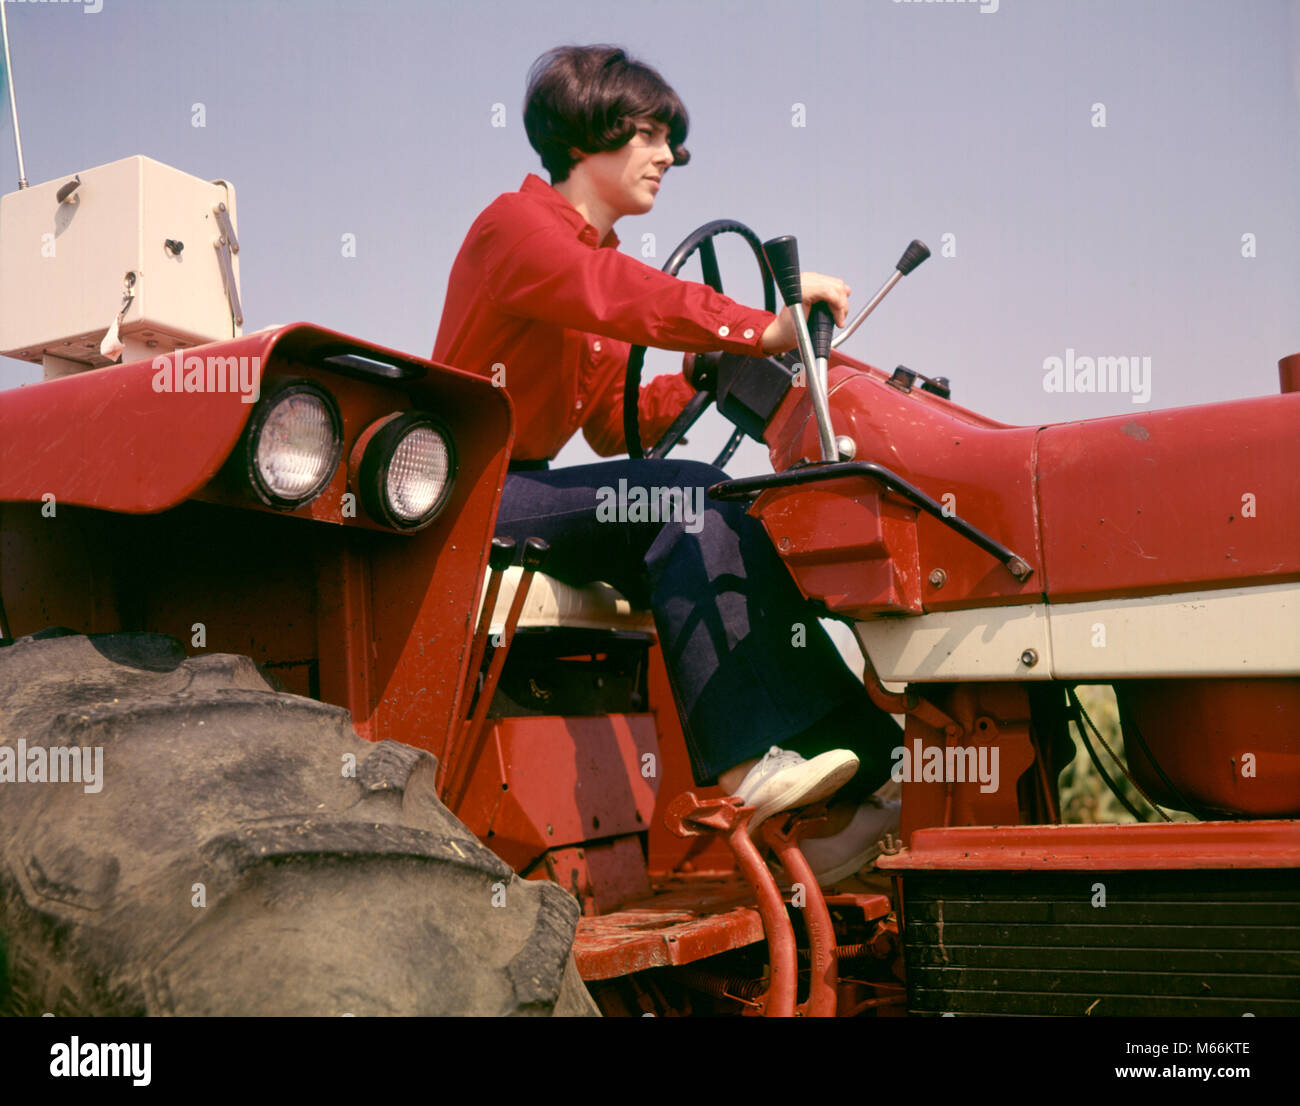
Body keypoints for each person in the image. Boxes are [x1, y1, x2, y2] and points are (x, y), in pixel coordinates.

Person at [433, 44, 901, 884]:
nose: (668, 156)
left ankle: (869, 769)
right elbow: (615, 292)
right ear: (587, 134)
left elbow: (616, 425)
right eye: (649, 135)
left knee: (733, 503)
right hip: (472, 495)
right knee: (687, 495)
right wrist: (755, 325)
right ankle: (746, 772)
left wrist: (703, 368)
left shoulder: (587, 270)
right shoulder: (515, 229)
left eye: (669, 140)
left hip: (529, 492)